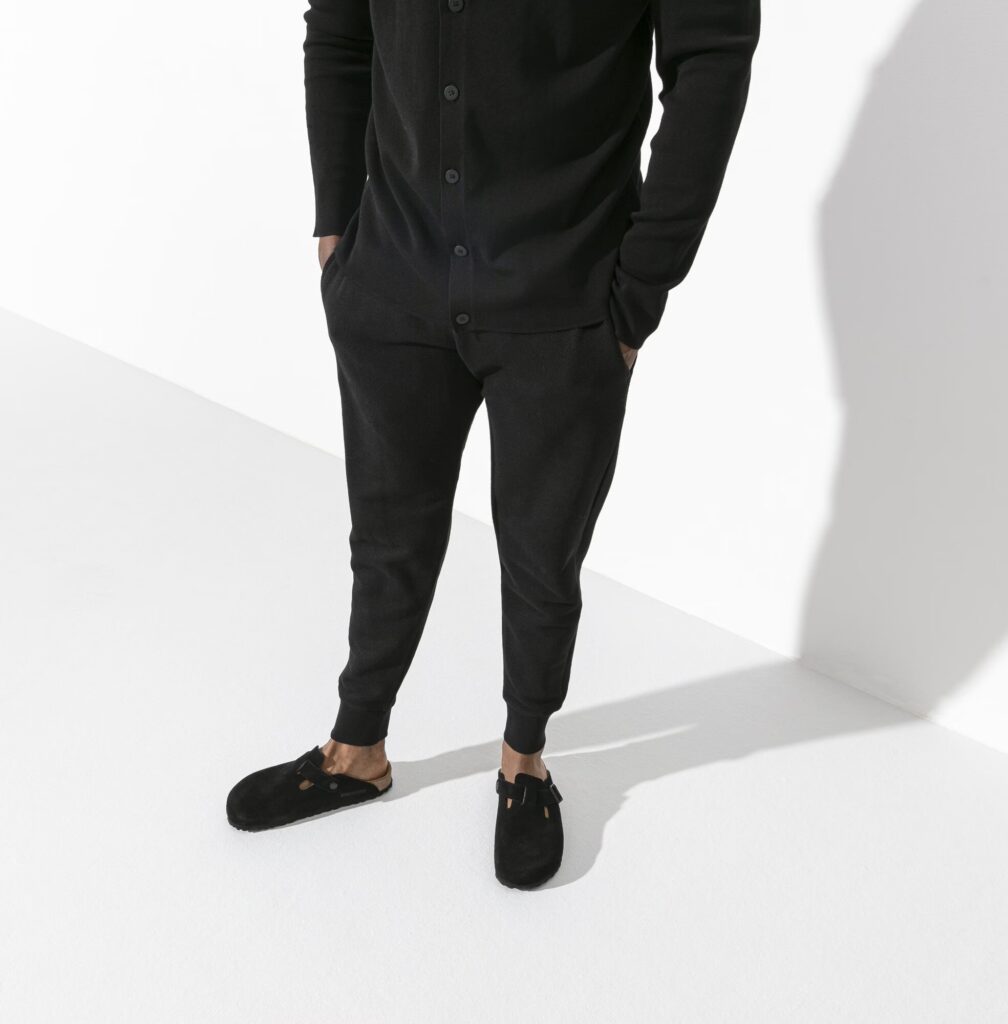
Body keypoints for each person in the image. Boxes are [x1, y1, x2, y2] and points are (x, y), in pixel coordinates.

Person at [227, 0, 760, 890]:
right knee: (387, 536)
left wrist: (639, 293)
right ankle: (356, 749)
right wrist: (336, 227)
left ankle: (525, 763)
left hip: (568, 295)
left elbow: (712, 58)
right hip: (393, 276)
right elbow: (341, 29)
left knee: (543, 558)